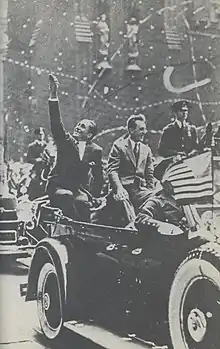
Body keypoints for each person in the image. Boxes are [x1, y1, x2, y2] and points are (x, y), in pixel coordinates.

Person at [47, 74, 104, 222]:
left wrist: (95, 196)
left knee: (82, 202)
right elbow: (56, 124)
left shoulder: (95, 150)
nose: (78, 126)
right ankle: (69, 227)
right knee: (67, 196)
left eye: (83, 126)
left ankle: (84, 235)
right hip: (57, 186)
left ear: (90, 135)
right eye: (79, 124)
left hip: (78, 190)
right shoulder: (66, 141)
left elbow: (98, 177)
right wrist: (53, 95)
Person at [107, 114, 154, 214]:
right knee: (123, 201)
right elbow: (112, 171)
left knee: (155, 199)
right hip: (123, 187)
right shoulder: (119, 146)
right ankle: (132, 227)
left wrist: (151, 191)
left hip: (140, 190)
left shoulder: (146, 150)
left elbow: (149, 175)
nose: (144, 132)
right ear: (131, 130)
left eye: (145, 129)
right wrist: (119, 189)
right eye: (141, 129)